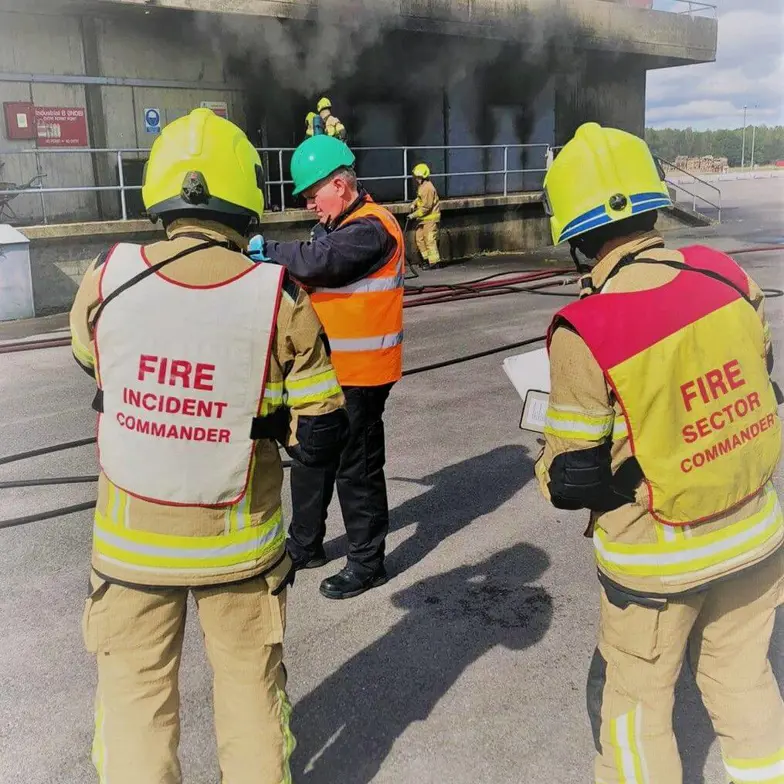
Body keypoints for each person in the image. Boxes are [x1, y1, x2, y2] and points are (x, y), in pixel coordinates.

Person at [69, 108, 347, 784]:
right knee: (251, 695)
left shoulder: (108, 278)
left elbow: (90, 356)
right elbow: (323, 423)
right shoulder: (278, 295)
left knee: (135, 706)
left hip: (130, 549)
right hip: (239, 548)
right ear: (246, 195)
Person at [535, 122, 784, 784]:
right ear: (652, 204)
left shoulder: (586, 328)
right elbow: (761, 377)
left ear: (578, 238)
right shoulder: (727, 275)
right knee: (744, 684)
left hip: (657, 561)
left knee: (637, 710)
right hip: (755, 535)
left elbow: (573, 478)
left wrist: (548, 458)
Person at [248, 134, 404, 600]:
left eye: (313, 195)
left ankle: (367, 563)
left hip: (362, 376)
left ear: (340, 184)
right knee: (311, 459)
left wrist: (269, 249)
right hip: (325, 374)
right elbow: (314, 261)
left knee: (356, 469)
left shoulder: (373, 227)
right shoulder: (335, 229)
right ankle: (305, 545)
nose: (309, 204)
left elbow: (322, 263)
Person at [408, 162, 443, 269]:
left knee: (429, 240)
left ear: (423, 177)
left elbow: (426, 207)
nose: (416, 179)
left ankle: (434, 262)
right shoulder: (423, 186)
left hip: (430, 219)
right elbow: (420, 199)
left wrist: (413, 215)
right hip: (423, 219)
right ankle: (426, 259)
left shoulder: (428, 188)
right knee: (420, 238)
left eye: (418, 177)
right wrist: (414, 203)